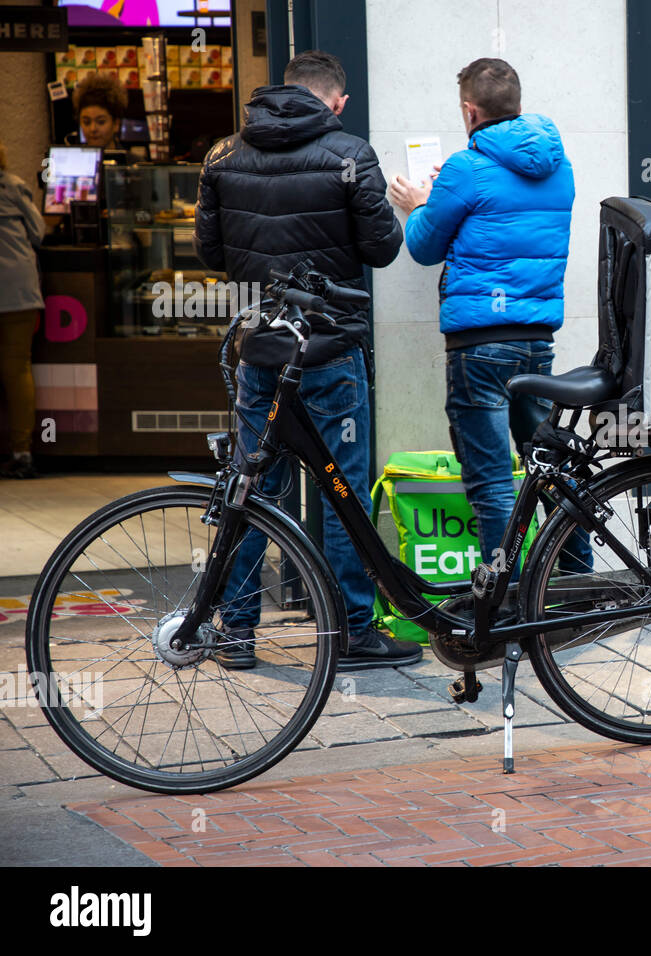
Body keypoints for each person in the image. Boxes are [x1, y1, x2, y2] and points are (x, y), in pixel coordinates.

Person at [194, 50, 418, 671]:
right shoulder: (349, 153)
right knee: (342, 493)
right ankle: (351, 631)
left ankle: (236, 631)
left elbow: (210, 253)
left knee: (249, 488)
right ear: (335, 102)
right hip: (327, 350)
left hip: (259, 349)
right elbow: (382, 249)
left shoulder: (223, 155)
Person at [389, 57, 589, 583]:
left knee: (494, 483)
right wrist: (449, 196)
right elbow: (505, 215)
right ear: (518, 106)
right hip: (535, 340)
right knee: (551, 469)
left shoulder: (466, 167)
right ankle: (578, 584)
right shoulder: (558, 164)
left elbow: (424, 246)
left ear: (469, 110)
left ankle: (503, 602)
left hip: (479, 347)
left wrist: (419, 204)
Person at [0, 140, 46, 479]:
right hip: (17, 291)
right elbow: (39, 232)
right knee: (17, 369)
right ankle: (22, 452)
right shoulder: (13, 187)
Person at [70, 72, 129, 150]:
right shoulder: (74, 160)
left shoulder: (133, 161)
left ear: (116, 124)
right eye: (86, 122)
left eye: (101, 122)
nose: (93, 129)